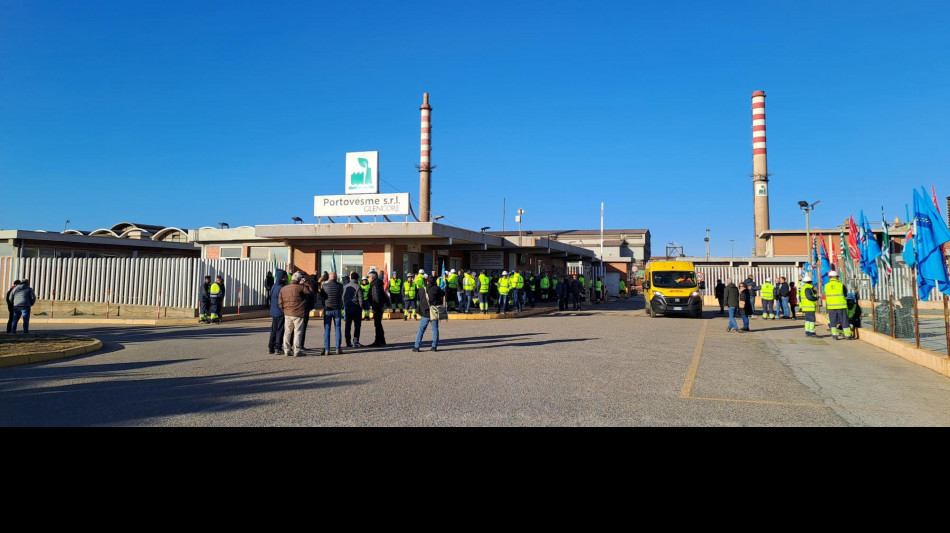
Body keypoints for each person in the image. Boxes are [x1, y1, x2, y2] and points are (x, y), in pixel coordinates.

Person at [413, 274, 445, 352]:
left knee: (421, 330)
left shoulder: (421, 290)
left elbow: (419, 300)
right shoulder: (436, 289)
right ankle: (434, 346)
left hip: (425, 313)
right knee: (435, 329)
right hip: (433, 312)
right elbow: (443, 294)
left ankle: (416, 346)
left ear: (427, 281)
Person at [824, 270, 853, 340]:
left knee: (833, 321)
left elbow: (826, 295)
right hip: (841, 306)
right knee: (844, 320)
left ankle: (834, 335)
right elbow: (845, 294)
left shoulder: (826, 286)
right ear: (836, 277)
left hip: (831, 306)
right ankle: (847, 335)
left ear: (829, 278)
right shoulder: (841, 285)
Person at [320, 271, 344, 355]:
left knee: (327, 329)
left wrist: (324, 306)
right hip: (337, 309)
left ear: (329, 278)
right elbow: (341, 296)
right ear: (336, 277)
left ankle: (327, 349)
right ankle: (338, 348)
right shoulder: (340, 286)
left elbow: (322, 298)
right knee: (337, 328)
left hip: (327, 309)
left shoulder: (325, 286)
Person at [267, 269, 287, 355]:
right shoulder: (282, 288)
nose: (286, 278)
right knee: (280, 330)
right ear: (282, 278)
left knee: (274, 330)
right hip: (280, 311)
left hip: (274, 311)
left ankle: (271, 346)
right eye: (285, 277)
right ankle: (278, 347)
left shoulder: (274, 286)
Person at [367, 270, 389, 346]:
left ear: (372, 277)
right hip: (380, 307)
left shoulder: (375, 285)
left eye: (369, 277)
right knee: (378, 324)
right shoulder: (376, 284)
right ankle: (382, 340)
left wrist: (375, 308)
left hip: (378, 307)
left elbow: (376, 298)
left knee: (377, 324)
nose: (368, 278)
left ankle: (378, 341)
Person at [343, 271, 364, 347]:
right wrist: (361, 308)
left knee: (348, 326)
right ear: (357, 278)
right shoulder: (358, 286)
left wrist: (345, 304)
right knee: (357, 325)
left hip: (348, 307)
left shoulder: (345, 286)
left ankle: (348, 342)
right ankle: (356, 341)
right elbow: (361, 299)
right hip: (356, 308)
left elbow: (343, 297)